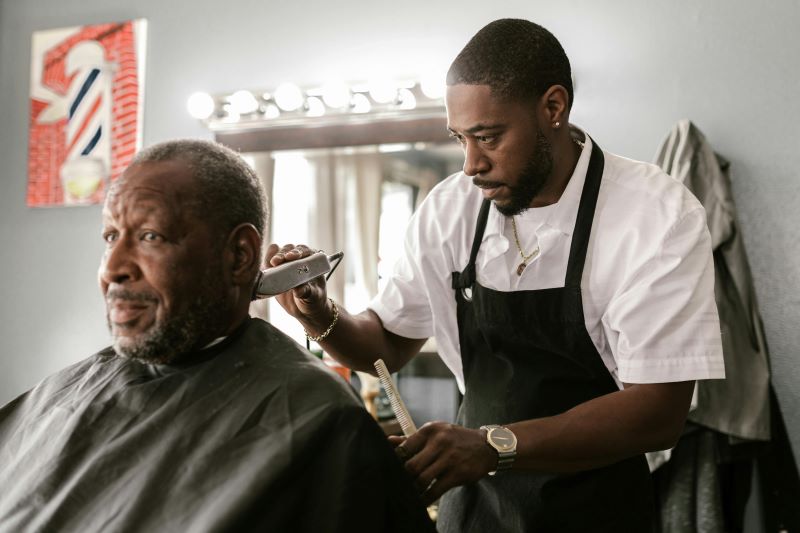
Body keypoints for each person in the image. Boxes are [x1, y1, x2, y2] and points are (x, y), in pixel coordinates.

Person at [268, 19, 725, 532]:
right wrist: (317, 311)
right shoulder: (450, 209)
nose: (469, 164)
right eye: (460, 138)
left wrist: (491, 445)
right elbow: (386, 345)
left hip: (598, 510)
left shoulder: (654, 213)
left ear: (553, 108)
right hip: (474, 510)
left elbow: (658, 412)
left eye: (488, 136)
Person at [0, 140, 434, 532]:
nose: (113, 267)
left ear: (241, 256)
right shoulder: (64, 394)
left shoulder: (313, 417)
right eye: (111, 236)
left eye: (150, 236)